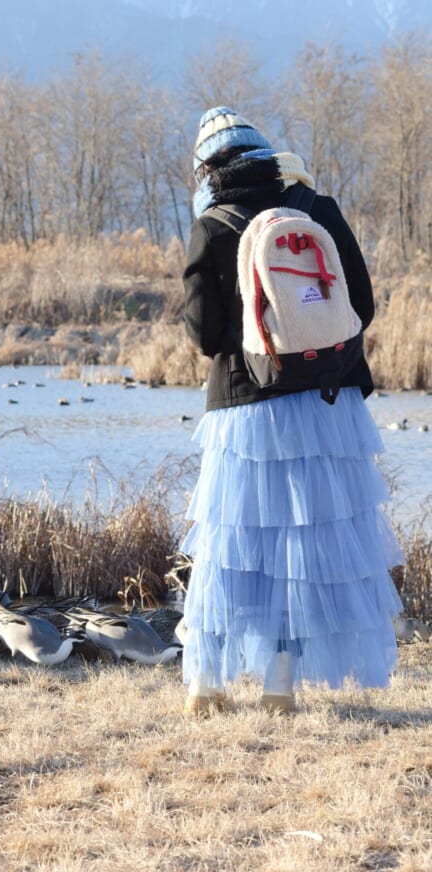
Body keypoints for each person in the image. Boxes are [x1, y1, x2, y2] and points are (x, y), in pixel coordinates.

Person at [180, 106, 403, 716]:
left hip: (247, 411)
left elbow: (204, 336)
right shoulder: (316, 209)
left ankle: (207, 685)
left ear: (208, 169)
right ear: (267, 155)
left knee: (234, 548)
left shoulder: (214, 223)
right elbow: (361, 305)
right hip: (329, 407)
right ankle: (281, 686)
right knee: (306, 551)